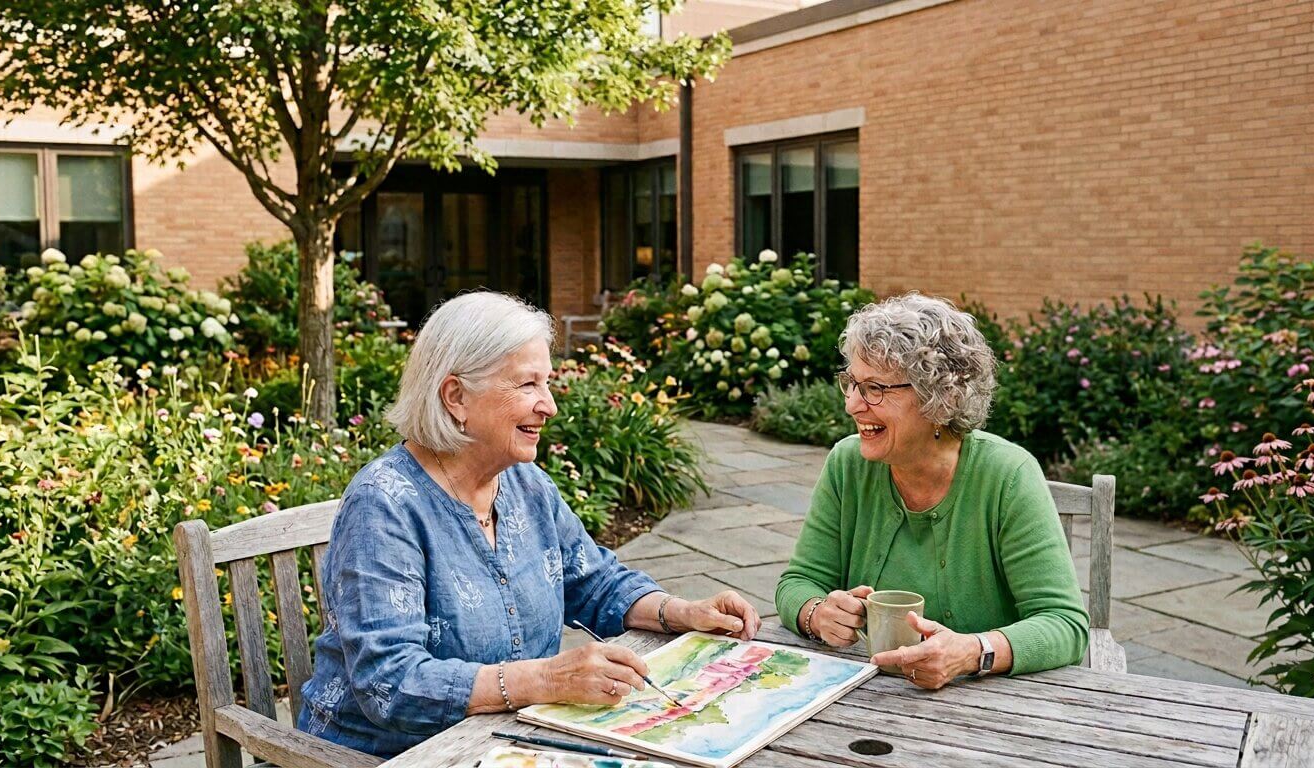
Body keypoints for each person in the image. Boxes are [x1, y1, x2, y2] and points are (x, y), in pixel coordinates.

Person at [298, 291, 760, 758]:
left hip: (508, 741)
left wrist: (680, 612)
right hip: (386, 754)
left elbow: (593, 582)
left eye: (547, 383)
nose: (549, 405)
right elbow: (390, 683)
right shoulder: (384, 504)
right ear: (456, 396)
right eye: (527, 385)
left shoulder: (524, 484)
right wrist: (547, 678)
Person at [776, 293, 1087, 689]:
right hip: (867, 695)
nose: (853, 404)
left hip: (987, 703)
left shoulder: (1008, 476)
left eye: (875, 388)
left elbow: (1065, 624)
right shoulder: (846, 464)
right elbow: (798, 582)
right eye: (851, 383)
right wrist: (816, 613)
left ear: (940, 398)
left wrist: (973, 652)